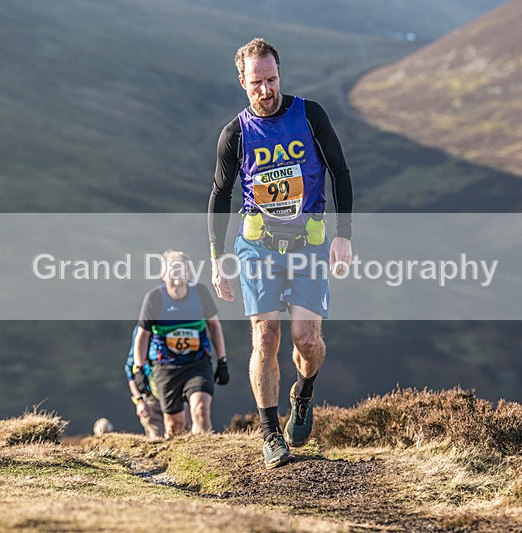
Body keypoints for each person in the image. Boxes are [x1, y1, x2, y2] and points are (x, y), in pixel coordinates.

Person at [207, 38, 353, 468]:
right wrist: (218, 258)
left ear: (279, 75)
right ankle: (271, 434)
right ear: (242, 82)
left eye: (272, 80)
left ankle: (303, 392)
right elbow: (219, 195)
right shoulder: (235, 134)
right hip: (257, 247)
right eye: (257, 83)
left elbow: (340, 172)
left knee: (306, 340)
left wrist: (343, 235)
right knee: (265, 337)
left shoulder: (309, 115)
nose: (266, 90)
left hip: (307, 243)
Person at [131, 249, 230, 438]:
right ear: (163, 275)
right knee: (174, 425)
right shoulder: (155, 298)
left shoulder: (200, 293)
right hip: (167, 368)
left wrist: (222, 361)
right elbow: (141, 337)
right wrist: (138, 369)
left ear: (189, 273)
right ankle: (181, 462)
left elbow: (214, 327)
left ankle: (204, 457)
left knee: (200, 410)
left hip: (198, 363)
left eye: (182, 270)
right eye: (172, 270)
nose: (177, 276)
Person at [124, 325, 165, 439]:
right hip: (151, 400)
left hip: (176, 397)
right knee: (157, 439)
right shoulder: (141, 329)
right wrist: (140, 401)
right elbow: (130, 370)